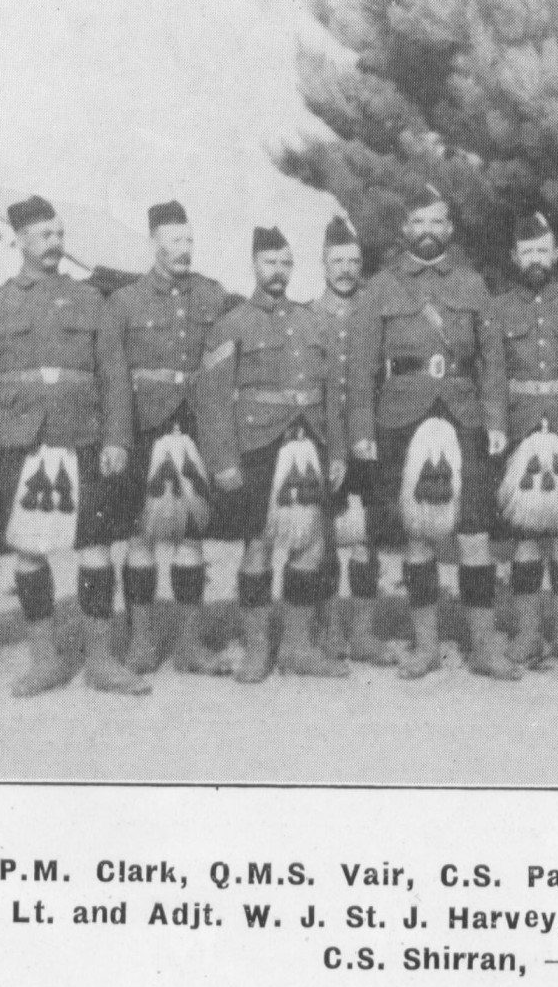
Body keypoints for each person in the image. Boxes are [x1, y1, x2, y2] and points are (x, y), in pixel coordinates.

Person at [0, 196, 141, 696]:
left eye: (60, 234)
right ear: (20, 240)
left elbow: (115, 377)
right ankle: (44, 660)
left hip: (83, 436)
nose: (56, 244)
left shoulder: (91, 302)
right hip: (19, 438)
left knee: (95, 547)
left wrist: (117, 438)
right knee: (27, 550)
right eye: (45, 235)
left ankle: (101, 660)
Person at [349, 184, 512, 680]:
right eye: (417, 222)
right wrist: (362, 427)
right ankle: (425, 645)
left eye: (435, 222)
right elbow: (361, 365)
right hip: (401, 414)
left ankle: (484, 646)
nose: (426, 231)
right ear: (405, 229)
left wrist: (497, 420)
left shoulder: (471, 284)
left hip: (462, 414)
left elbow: (492, 361)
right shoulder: (381, 287)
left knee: (475, 532)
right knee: (418, 534)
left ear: (449, 229)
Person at [198, 226, 349, 682]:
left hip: (310, 443)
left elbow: (332, 394)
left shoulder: (313, 322)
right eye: (270, 263)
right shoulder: (233, 323)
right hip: (258, 443)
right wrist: (222, 461)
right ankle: (257, 650)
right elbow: (211, 397)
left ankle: (297, 648)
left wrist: (337, 452)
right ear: (254, 265)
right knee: (258, 545)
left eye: (285, 263)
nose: (278, 272)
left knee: (311, 544)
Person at [101, 201, 232, 675]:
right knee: (140, 538)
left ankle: (191, 645)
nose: (184, 250)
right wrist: (117, 438)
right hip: (144, 425)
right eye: (175, 241)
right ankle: (141, 642)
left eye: (189, 241)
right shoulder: (124, 301)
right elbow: (114, 378)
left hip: (195, 423)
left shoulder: (213, 297)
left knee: (192, 538)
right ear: (154, 242)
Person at [487, 211, 558, 666]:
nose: (536, 259)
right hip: (521, 424)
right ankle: (526, 635)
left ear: (557, 254)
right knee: (524, 537)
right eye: (528, 252)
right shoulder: (499, 307)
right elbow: (493, 373)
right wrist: (498, 428)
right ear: (514, 257)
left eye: (543, 250)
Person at [312, 216, 395, 665]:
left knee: (366, 539)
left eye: (353, 261)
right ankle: (329, 630)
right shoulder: (309, 315)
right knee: (322, 537)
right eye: (337, 261)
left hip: (369, 438)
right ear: (323, 265)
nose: (346, 269)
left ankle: (363, 633)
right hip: (325, 439)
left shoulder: (373, 311)